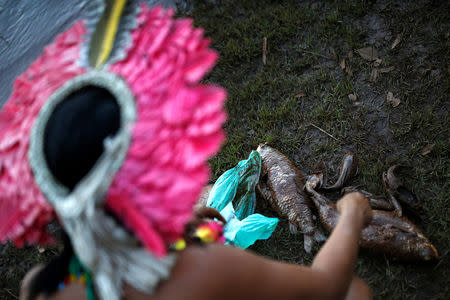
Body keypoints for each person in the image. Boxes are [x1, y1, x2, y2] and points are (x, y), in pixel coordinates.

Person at [21, 192, 373, 300]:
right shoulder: (205, 268)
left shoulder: (39, 286)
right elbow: (328, 286)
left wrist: (163, 228)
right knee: (354, 293)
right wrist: (352, 215)